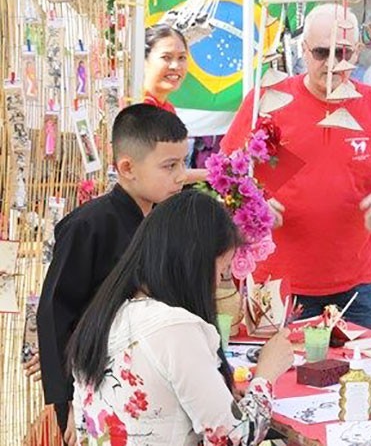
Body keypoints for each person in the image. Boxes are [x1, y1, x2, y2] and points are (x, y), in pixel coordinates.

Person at [221, 4, 371, 333]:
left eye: (344, 53)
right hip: (276, 284)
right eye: (323, 53)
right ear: (304, 50)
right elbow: (226, 174)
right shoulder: (266, 100)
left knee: (363, 381)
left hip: (358, 286)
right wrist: (254, 205)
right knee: (273, 380)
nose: (334, 64)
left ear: (357, 52)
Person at [67, 190, 294, 444]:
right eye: (221, 271)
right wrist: (266, 373)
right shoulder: (175, 328)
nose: (218, 284)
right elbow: (234, 438)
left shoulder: (101, 316)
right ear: (195, 264)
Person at [34, 104, 189, 444]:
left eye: (183, 163)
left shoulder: (167, 221)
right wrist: (65, 403)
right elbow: (54, 314)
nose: (181, 175)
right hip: (97, 384)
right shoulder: (88, 226)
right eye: (170, 165)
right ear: (127, 168)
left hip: (153, 382)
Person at [142, 24, 208, 184]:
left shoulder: (167, 108)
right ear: (144, 60)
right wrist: (212, 173)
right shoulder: (141, 108)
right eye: (166, 57)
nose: (176, 66)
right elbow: (156, 174)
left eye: (182, 58)